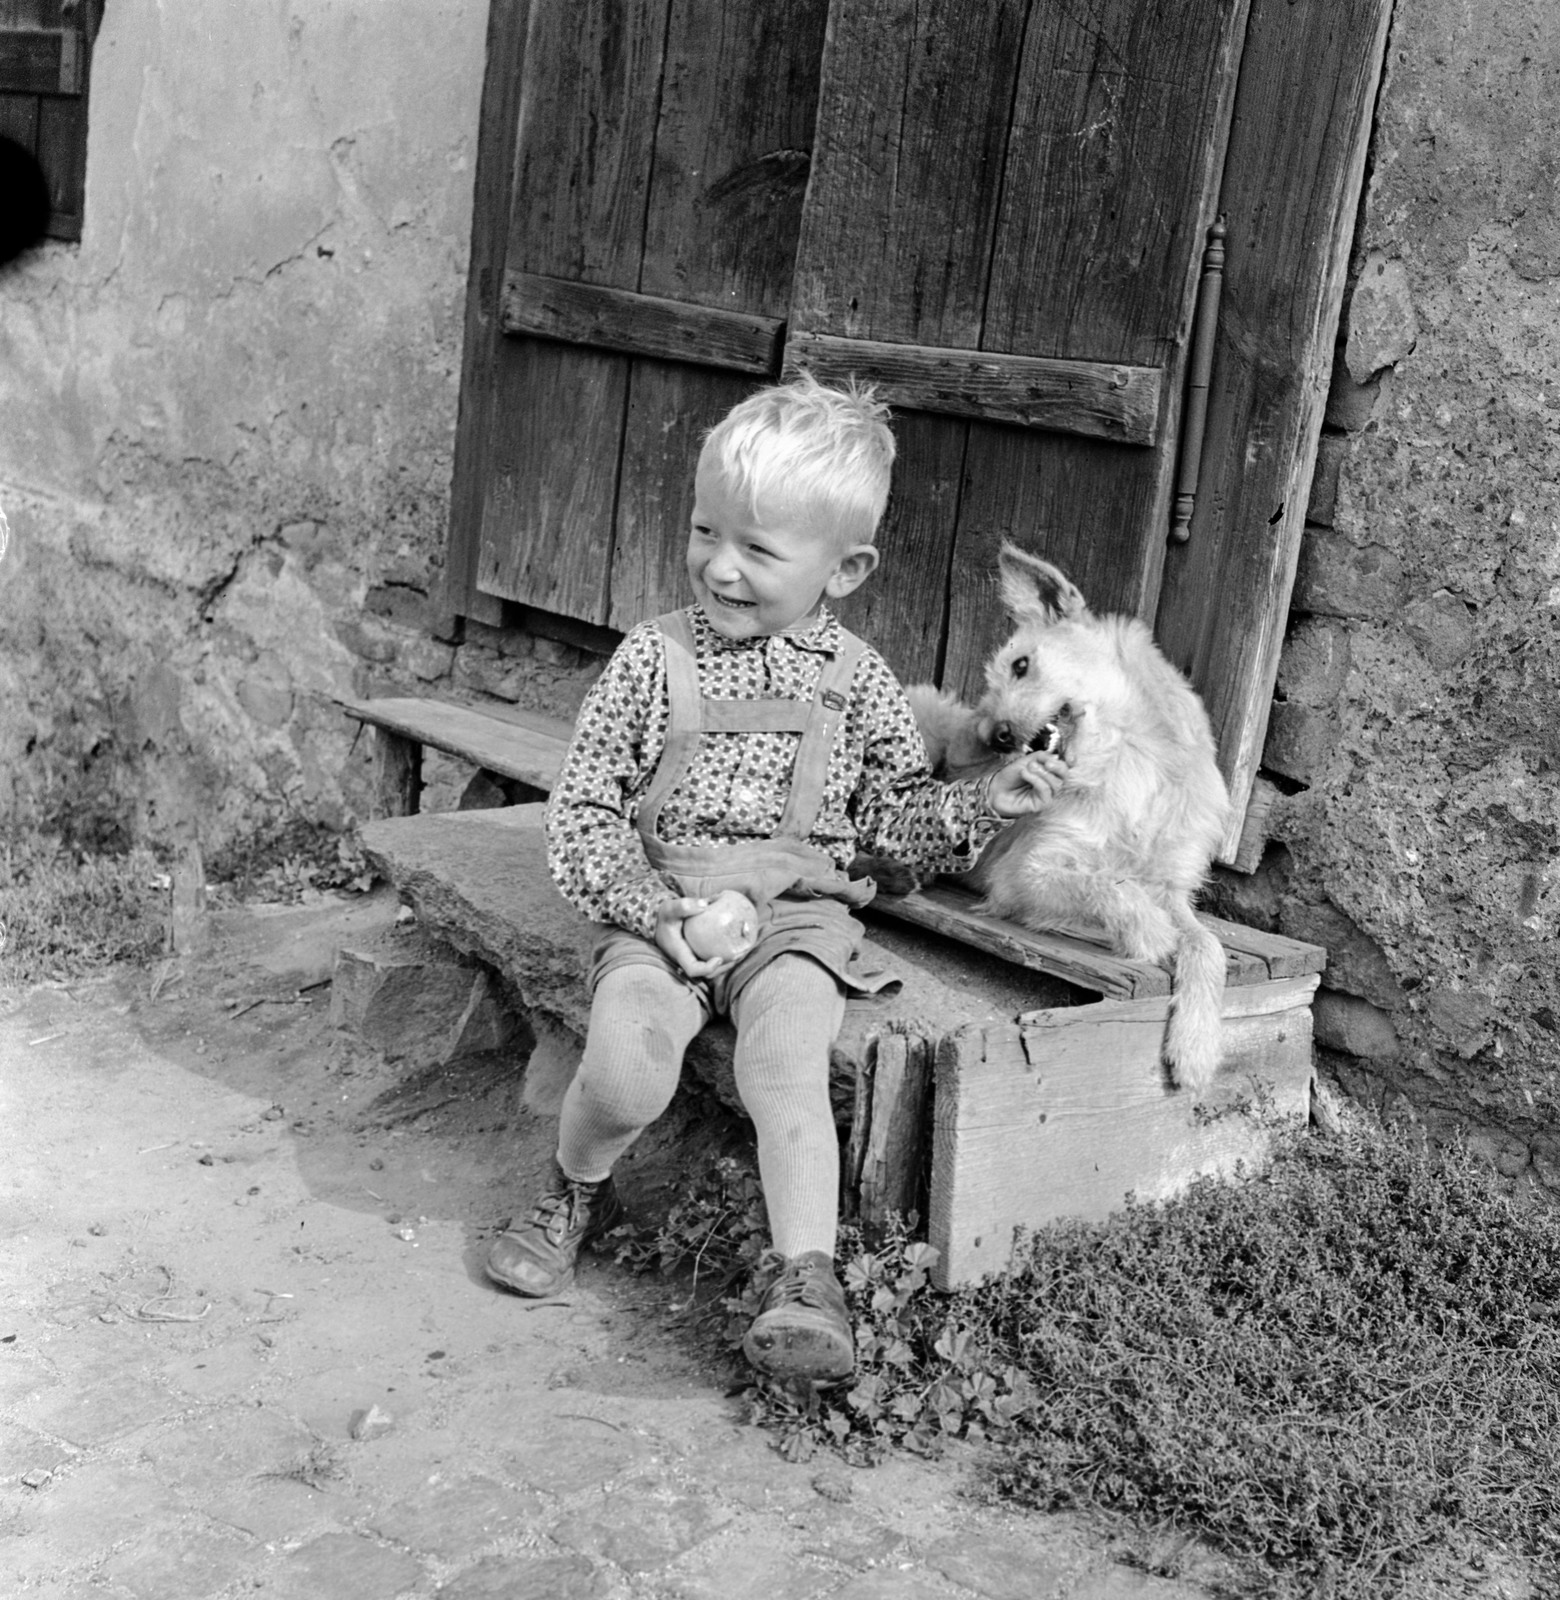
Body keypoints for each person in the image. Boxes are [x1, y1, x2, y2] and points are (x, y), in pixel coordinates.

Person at [485, 374, 1069, 1386]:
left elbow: (889, 828)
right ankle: (572, 1186)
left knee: (788, 1074)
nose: (720, 565)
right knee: (627, 1067)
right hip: (664, 906)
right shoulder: (649, 661)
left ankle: (811, 1283)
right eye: (706, 531)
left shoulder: (859, 684)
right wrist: (651, 911)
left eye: (758, 549)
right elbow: (582, 812)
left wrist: (983, 804)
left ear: (844, 570)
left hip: (797, 920)